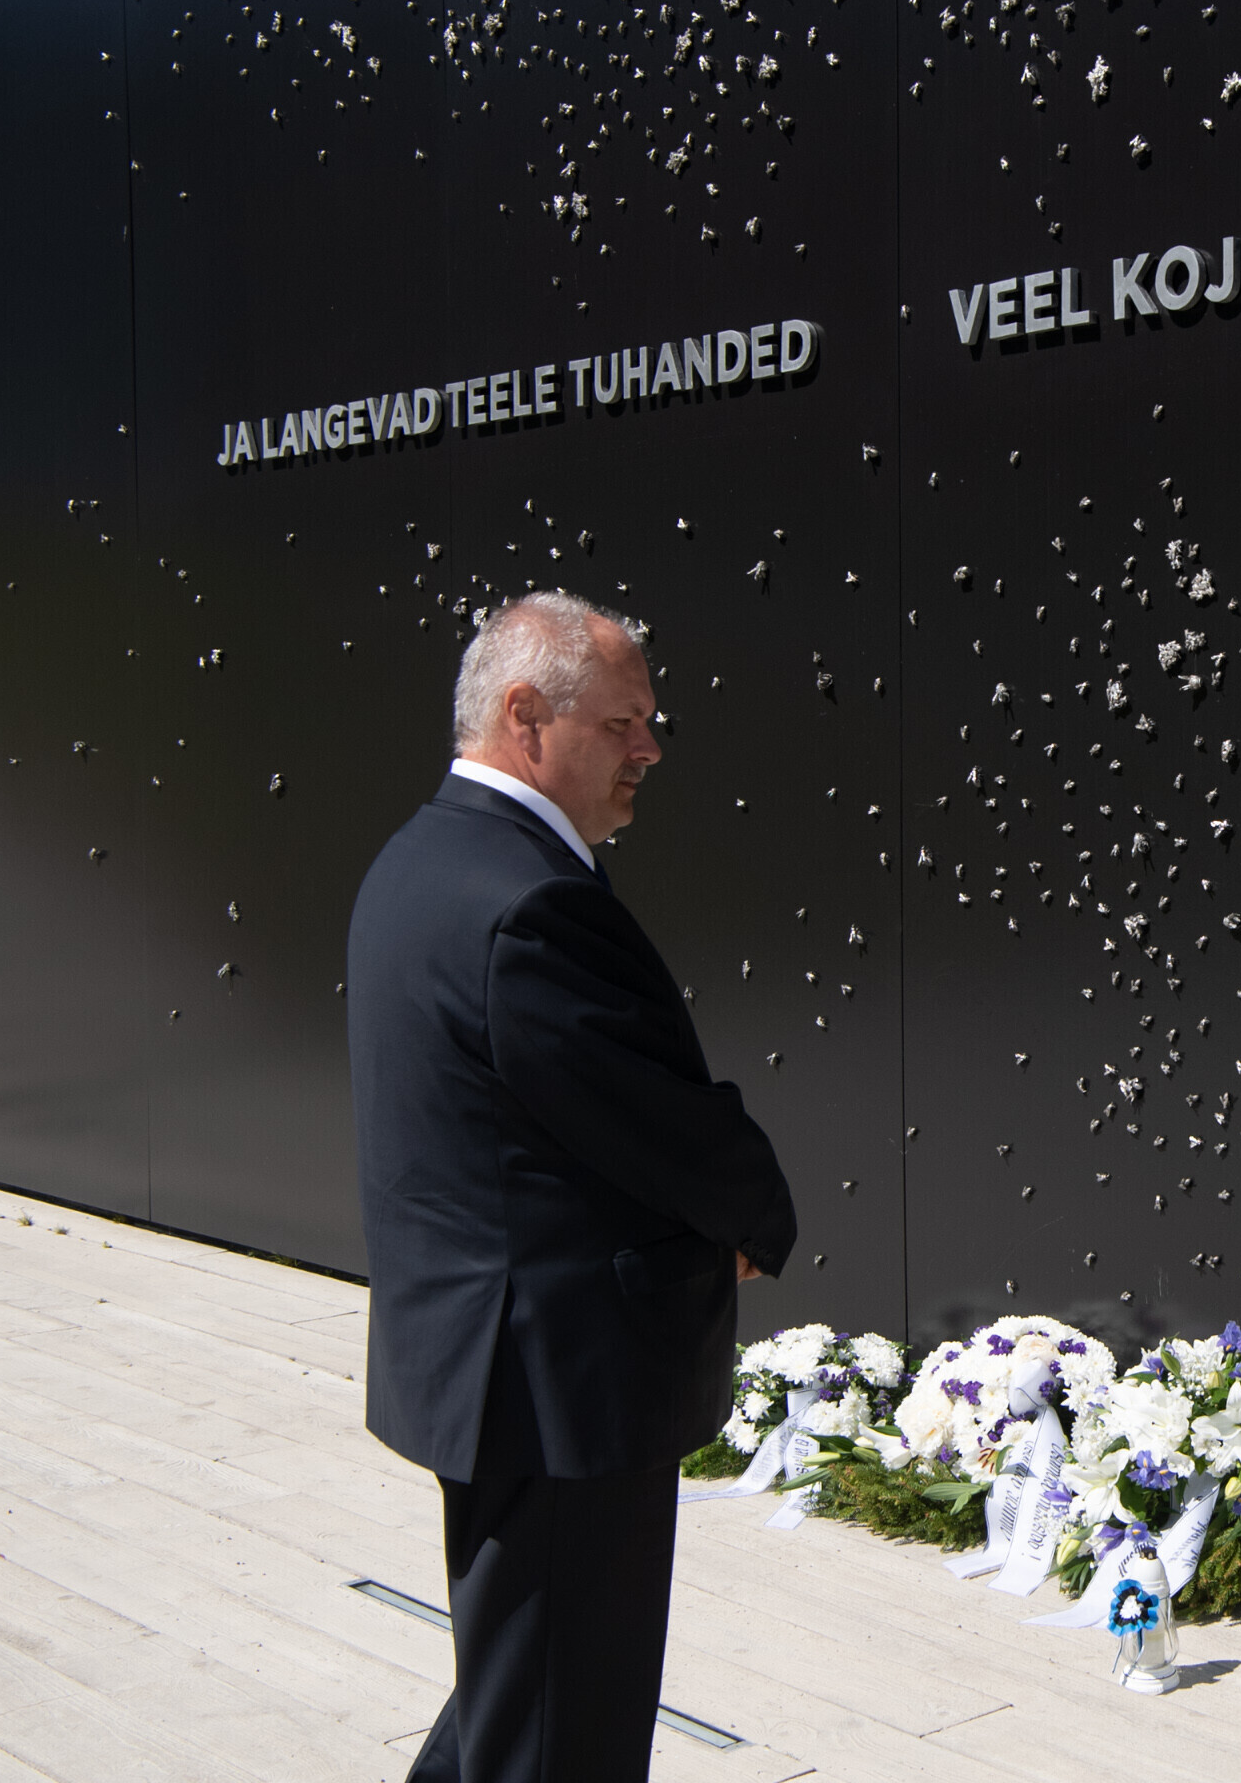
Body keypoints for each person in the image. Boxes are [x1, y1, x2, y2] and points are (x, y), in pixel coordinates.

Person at [347, 590, 795, 1783]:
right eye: (621, 722)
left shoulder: (419, 858)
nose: (649, 747)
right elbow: (649, 1115)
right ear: (525, 715)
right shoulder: (528, 899)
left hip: (499, 1366)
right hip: (558, 1383)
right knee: (561, 1727)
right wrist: (752, 1215)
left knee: (524, 1688)